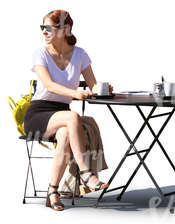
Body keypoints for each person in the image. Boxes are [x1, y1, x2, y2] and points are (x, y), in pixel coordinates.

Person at [24, 9, 111, 211]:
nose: (44, 32)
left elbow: (92, 85)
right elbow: (49, 85)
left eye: (48, 28)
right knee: (73, 118)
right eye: (42, 27)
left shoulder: (80, 54)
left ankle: (52, 192)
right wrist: (74, 94)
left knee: (65, 134)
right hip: (39, 114)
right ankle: (86, 174)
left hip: (62, 115)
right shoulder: (40, 54)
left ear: (66, 29)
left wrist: (102, 90)